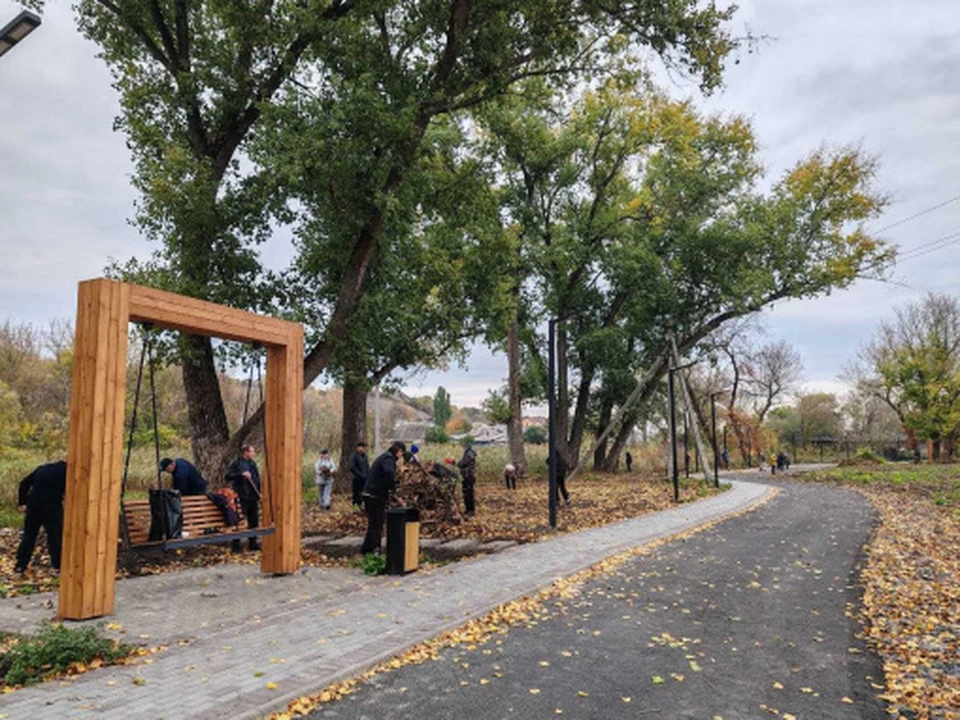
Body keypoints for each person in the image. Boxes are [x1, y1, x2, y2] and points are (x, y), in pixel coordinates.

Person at [14, 460, 67, 574]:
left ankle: (20, 565)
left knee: (29, 536)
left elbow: (24, 483)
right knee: (54, 537)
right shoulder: (68, 472)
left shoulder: (43, 468)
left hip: (34, 506)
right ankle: (57, 566)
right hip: (52, 508)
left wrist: (22, 502)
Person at [361, 441, 406, 555]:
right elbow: (389, 474)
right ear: (398, 451)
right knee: (378, 522)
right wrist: (395, 491)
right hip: (374, 495)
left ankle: (366, 549)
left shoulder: (385, 457)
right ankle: (376, 549)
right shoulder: (389, 459)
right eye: (402, 453)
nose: (401, 457)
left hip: (370, 493)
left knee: (373, 523)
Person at [226, 444, 262, 552]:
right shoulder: (237, 462)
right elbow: (228, 476)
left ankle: (253, 542)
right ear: (245, 452)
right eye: (252, 451)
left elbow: (256, 477)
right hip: (242, 495)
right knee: (240, 520)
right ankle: (236, 545)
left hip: (253, 495)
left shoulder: (252, 463)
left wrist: (259, 492)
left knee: (254, 520)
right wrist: (241, 474)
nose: (254, 453)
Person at [348, 441, 370, 509]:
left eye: (365, 448)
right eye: (363, 447)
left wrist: (368, 474)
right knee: (357, 493)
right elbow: (352, 467)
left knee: (364, 493)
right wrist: (359, 474)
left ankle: (362, 506)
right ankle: (355, 506)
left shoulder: (365, 456)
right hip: (358, 478)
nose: (364, 449)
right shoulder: (354, 456)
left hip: (365, 478)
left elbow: (367, 466)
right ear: (358, 448)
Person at [457, 443, 478, 516]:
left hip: (468, 476)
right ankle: (468, 510)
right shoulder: (470, 454)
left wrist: (455, 463)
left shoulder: (468, 454)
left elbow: (462, 463)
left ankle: (470, 511)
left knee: (468, 494)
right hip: (468, 476)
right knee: (467, 493)